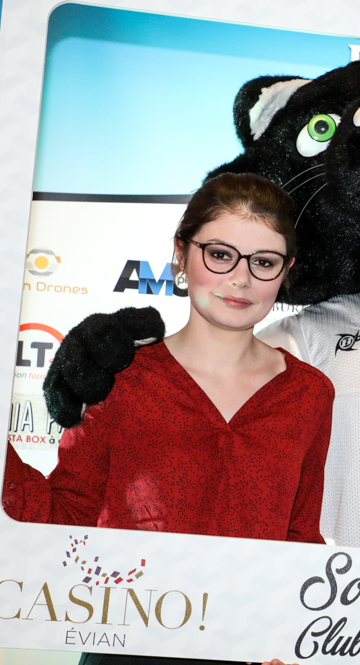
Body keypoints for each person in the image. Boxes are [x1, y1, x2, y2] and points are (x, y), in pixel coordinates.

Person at [2, 172, 333, 546]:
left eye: (264, 262)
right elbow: (63, 520)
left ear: (286, 269)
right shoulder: (119, 377)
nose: (241, 278)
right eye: (220, 255)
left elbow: (301, 541)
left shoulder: (309, 393)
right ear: (182, 252)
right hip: (132, 587)